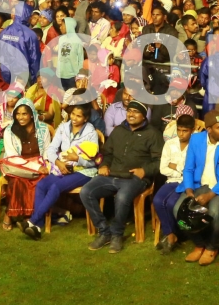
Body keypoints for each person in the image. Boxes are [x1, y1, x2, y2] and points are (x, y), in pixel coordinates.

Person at [82, 98, 162, 253]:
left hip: (135, 178)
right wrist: (104, 165)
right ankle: (104, 231)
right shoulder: (119, 130)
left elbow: (160, 161)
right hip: (112, 174)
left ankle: (117, 234)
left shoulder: (153, 134)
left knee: (122, 197)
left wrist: (145, 170)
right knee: (86, 191)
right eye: (129, 111)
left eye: (136, 112)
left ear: (144, 116)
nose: (131, 114)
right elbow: (107, 153)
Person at [24, 97, 99, 238]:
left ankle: (32, 221)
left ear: (86, 118)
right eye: (73, 114)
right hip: (62, 168)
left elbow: (93, 163)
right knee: (41, 185)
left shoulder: (91, 133)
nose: (74, 118)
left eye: (79, 116)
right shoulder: (63, 128)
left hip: (84, 171)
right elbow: (51, 149)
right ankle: (38, 227)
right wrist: (59, 163)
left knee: (55, 187)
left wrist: (78, 159)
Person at [175, 108, 219, 266]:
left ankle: (212, 247)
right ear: (209, 129)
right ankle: (199, 244)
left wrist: (210, 195)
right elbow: (188, 168)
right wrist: (189, 191)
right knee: (178, 210)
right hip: (198, 184)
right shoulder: (196, 139)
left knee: (214, 213)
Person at [0, 96, 49, 230]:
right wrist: (36, 167)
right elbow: (12, 156)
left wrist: (45, 166)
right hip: (17, 165)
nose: (20, 117)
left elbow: (47, 152)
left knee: (42, 180)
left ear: (31, 114)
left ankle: (29, 216)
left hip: (39, 163)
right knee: (18, 180)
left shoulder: (43, 129)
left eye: (24, 114)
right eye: (18, 114)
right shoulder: (10, 131)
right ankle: (9, 214)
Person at [153, 113, 196, 253]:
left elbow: (194, 169)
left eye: (185, 131)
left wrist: (175, 166)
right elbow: (163, 168)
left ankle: (172, 236)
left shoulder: (195, 145)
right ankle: (171, 235)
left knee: (171, 203)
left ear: (192, 130)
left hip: (187, 183)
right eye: (179, 130)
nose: (181, 134)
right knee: (158, 200)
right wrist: (180, 170)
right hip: (171, 180)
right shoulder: (170, 144)